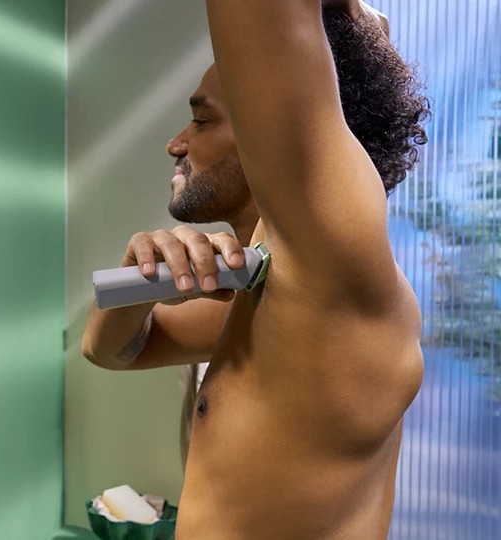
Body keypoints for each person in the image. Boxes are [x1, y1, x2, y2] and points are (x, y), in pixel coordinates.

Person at [82, 0, 429, 537]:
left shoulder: (330, 277)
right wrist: (143, 283)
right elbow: (108, 349)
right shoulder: (271, 296)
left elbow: (266, 19)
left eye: (201, 120)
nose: (176, 144)